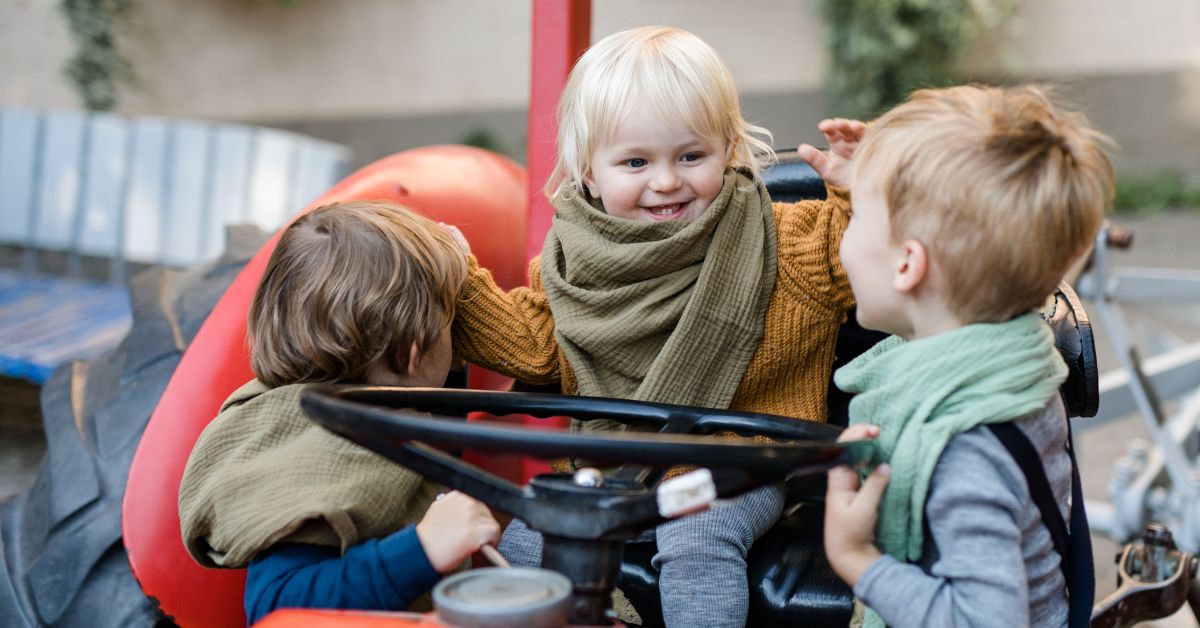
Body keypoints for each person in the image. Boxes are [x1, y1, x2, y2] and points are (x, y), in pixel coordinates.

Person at [450, 25, 863, 628]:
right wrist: (456, 281)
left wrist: (860, 192)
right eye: (636, 162)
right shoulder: (571, 269)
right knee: (524, 547)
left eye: (691, 156)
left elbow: (856, 255)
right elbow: (540, 347)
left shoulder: (787, 241)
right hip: (615, 470)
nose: (666, 181)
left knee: (696, 541)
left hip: (736, 466)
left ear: (728, 148)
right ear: (587, 172)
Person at [823, 85, 1113, 628]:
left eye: (855, 218)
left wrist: (857, 560)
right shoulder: (1006, 361)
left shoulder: (963, 449)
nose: (845, 235)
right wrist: (870, 182)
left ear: (908, 265)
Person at [178, 201, 501, 624]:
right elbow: (277, 607)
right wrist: (422, 549)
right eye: (450, 320)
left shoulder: (374, 405)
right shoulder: (312, 455)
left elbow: (430, 449)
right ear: (413, 353)